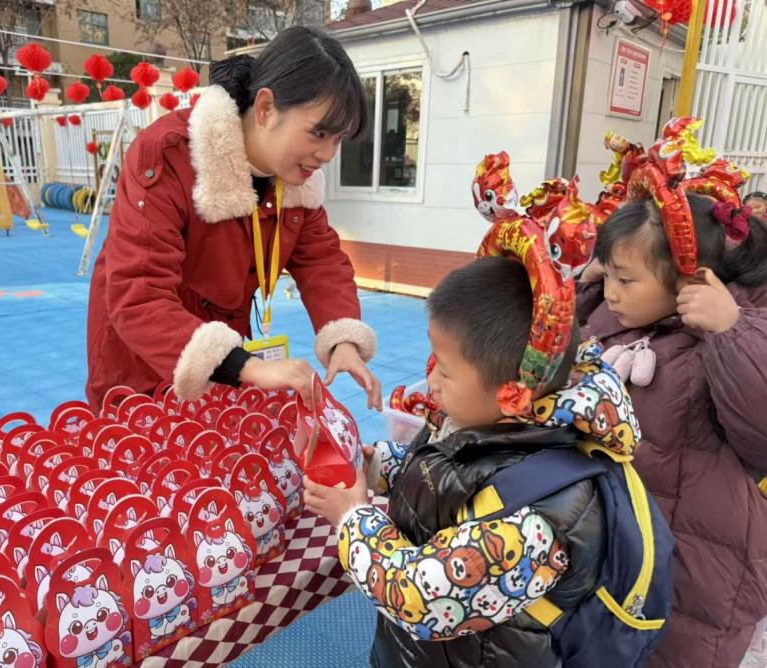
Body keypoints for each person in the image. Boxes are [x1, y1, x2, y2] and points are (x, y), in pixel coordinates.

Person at [305, 256, 672, 667]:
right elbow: (451, 474)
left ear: (512, 392)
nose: (431, 382)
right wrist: (379, 467)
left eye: (445, 371)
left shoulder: (538, 519)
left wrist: (352, 519)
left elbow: (420, 598)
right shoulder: (490, 421)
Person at [86, 26, 381, 411]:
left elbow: (321, 260)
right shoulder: (170, 155)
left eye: (338, 138)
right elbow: (138, 291)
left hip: (223, 355)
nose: (327, 154)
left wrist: (343, 340)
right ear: (265, 108)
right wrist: (248, 367)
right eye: (319, 132)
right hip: (142, 361)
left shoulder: (295, 180)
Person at [577, 192, 767, 668]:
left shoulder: (738, 331)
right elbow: (564, 348)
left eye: (625, 279)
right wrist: (585, 286)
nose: (612, 291)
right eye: (608, 274)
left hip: (696, 568)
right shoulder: (618, 316)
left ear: (689, 277)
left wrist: (730, 331)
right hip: (620, 550)